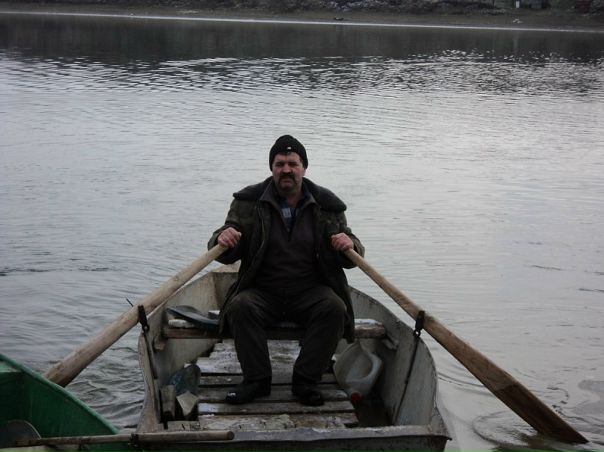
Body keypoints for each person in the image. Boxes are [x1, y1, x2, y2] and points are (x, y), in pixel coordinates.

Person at [208, 135, 364, 406]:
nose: (286, 170)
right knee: (240, 307)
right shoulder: (248, 202)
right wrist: (224, 238)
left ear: (304, 168)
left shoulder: (328, 206)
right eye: (280, 164)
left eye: (293, 163)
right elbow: (224, 248)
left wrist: (349, 244)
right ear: (272, 168)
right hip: (263, 290)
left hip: (310, 291)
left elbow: (352, 255)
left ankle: (306, 381)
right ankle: (256, 381)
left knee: (334, 309)